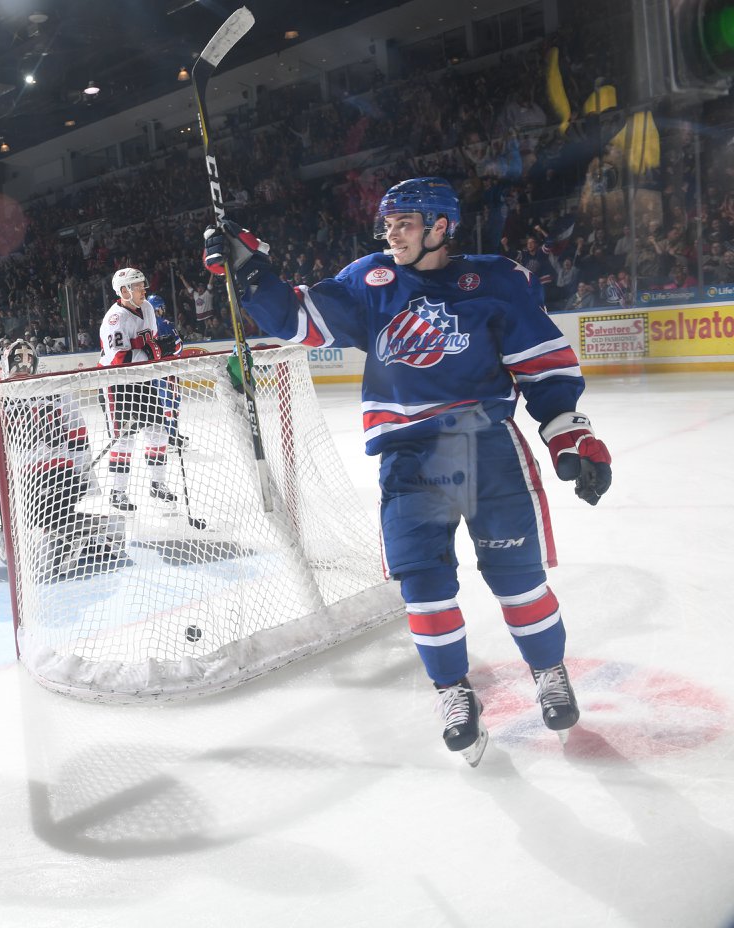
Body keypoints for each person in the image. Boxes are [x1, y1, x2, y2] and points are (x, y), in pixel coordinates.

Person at [203, 177, 612, 766]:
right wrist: (249, 271)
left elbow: (543, 367)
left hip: (485, 448)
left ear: (442, 226)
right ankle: (453, 691)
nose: (391, 233)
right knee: (422, 587)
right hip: (409, 458)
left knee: (517, 577)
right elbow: (298, 322)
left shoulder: (496, 281)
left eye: (406, 222)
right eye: (388, 223)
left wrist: (570, 434)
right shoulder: (370, 280)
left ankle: (549, 671)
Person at [0, 339, 124, 577]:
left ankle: (48, 544)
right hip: (65, 482)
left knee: (17, 544)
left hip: (24, 487)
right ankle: (102, 530)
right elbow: (77, 436)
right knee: (60, 515)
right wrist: (84, 478)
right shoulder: (54, 388)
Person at [99, 267, 175, 511]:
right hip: (116, 384)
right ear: (124, 291)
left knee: (158, 432)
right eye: (138, 285)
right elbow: (120, 359)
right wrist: (150, 350)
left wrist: (159, 347)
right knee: (124, 440)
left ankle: (158, 484)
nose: (144, 289)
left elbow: (150, 342)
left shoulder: (148, 308)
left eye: (143, 284)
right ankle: (117, 492)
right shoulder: (115, 319)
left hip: (142, 380)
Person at [148, 295, 187, 449]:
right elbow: (179, 348)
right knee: (172, 402)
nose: (163, 310)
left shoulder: (144, 326)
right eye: (161, 307)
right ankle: (172, 436)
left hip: (154, 372)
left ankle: (169, 435)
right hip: (169, 369)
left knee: (163, 404)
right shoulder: (165, 324)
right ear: (157, 309)